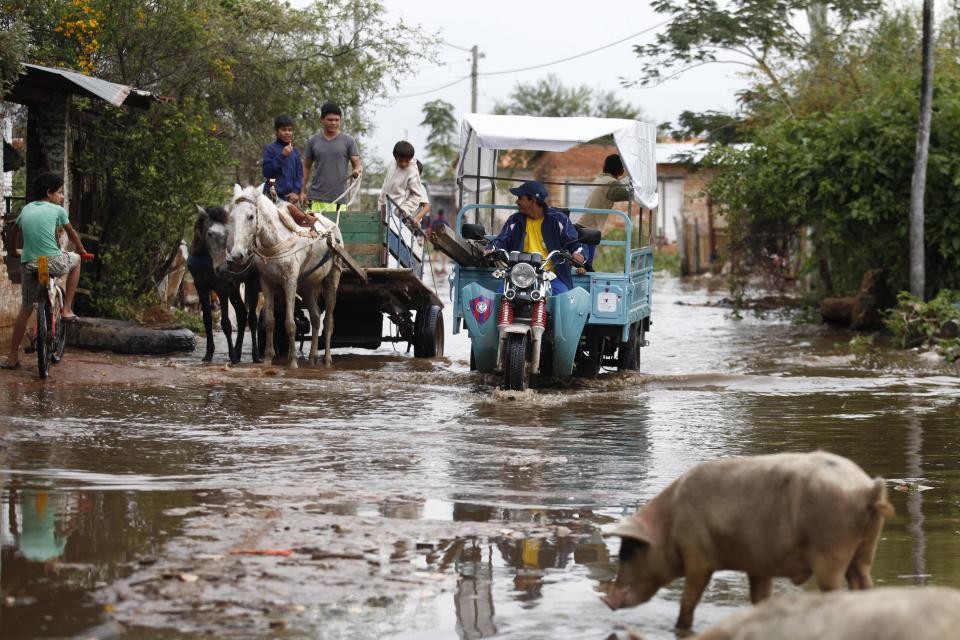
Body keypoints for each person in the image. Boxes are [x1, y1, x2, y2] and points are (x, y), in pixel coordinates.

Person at [3, 173, 87, 370]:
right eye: (60, 192)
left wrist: (13, 250)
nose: (62, 197)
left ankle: (12, 356)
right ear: (49, 193)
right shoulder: (57, 210)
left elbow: (14, 231)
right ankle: (66, 309)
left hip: (32, 264)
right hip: (53, 262)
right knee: (75, 262)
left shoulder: (25, 210)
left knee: (26, 308)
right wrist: (82, 250)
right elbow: (71, 232)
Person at [485, 181, 585, 294]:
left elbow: (575, 242)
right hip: (518, 276)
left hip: (549, 276)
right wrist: (491, 248)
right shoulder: (514, 221)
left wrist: (579, 254)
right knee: (499, 298)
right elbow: (501, 240)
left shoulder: (558, 220)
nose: (517, 201)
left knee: (563, 299)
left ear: (533, 201)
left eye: (520, 198)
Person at [300, 102, 362, 215]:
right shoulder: (313, 141)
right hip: (315, 197)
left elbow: (357, 164)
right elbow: (306, 166)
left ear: (340, 120)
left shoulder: (349, 141)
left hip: (339, 198)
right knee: (312, 230)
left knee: (336, 231)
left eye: (337, 120)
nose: (333, 123)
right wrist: (302, 190)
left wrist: (357, 170)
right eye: (330, 119)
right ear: (322, 119)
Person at [578, 153, 631, 269]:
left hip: (583, 226)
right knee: (586, 267)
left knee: (584, 266)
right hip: (589, 230)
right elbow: (627, 195)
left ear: (604, 167)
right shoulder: (610, 183)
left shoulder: (600, 179)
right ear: (621, 172)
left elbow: (616, 185)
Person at [378, 140, 429, 226]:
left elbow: (417, 196)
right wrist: (381, 205)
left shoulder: (413, 172)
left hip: (401, 216)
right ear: (395, 157)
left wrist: (405, 210)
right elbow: (385, 186)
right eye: (401, 161)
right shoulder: (392, 165)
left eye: (407, 161)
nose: (404, 164)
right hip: (387, 210)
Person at [429, 208, 451, 273]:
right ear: (443, 214)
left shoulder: (435, 221)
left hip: (436, 239)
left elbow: (430, 229)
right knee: (443, 254)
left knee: (435, 253)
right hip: (443, 241)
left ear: (438, 213)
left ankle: (433, 267)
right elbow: (448, 231)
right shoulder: (445, 222)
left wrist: (431, 237)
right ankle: (443, 267)